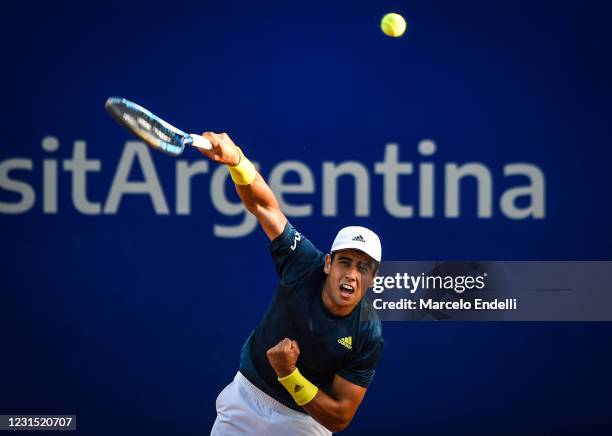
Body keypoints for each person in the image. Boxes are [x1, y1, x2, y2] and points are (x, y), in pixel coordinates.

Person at [199, 132, 383, 435]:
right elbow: (264, 206)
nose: (352, 274)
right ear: (327, 264)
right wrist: (237, 161)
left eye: (363, 268)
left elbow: (340, 417)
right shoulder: (303, 263)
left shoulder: (367, 331)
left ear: (372, 279)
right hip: (245, 400)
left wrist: (288, 375)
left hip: (304, 423)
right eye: (345, 262)